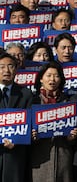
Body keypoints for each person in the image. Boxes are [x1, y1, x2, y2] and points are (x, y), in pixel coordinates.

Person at [31, 61, 77, 182]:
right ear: (41, 79)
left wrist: (71, 138)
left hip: (63, 158)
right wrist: (32, 137)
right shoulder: (33, 102)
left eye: (56, 76)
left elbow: (74, 135)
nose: (52, 79)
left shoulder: (68, 103)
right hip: (40, 160)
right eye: (48, 75)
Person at [0, 52, 32, 182]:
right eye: (2, 67)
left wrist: (17, 141)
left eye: (11, 66)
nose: (6, 70)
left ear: (16, 69)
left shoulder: (26, 94)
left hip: (15, 155)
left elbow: (29, 124)